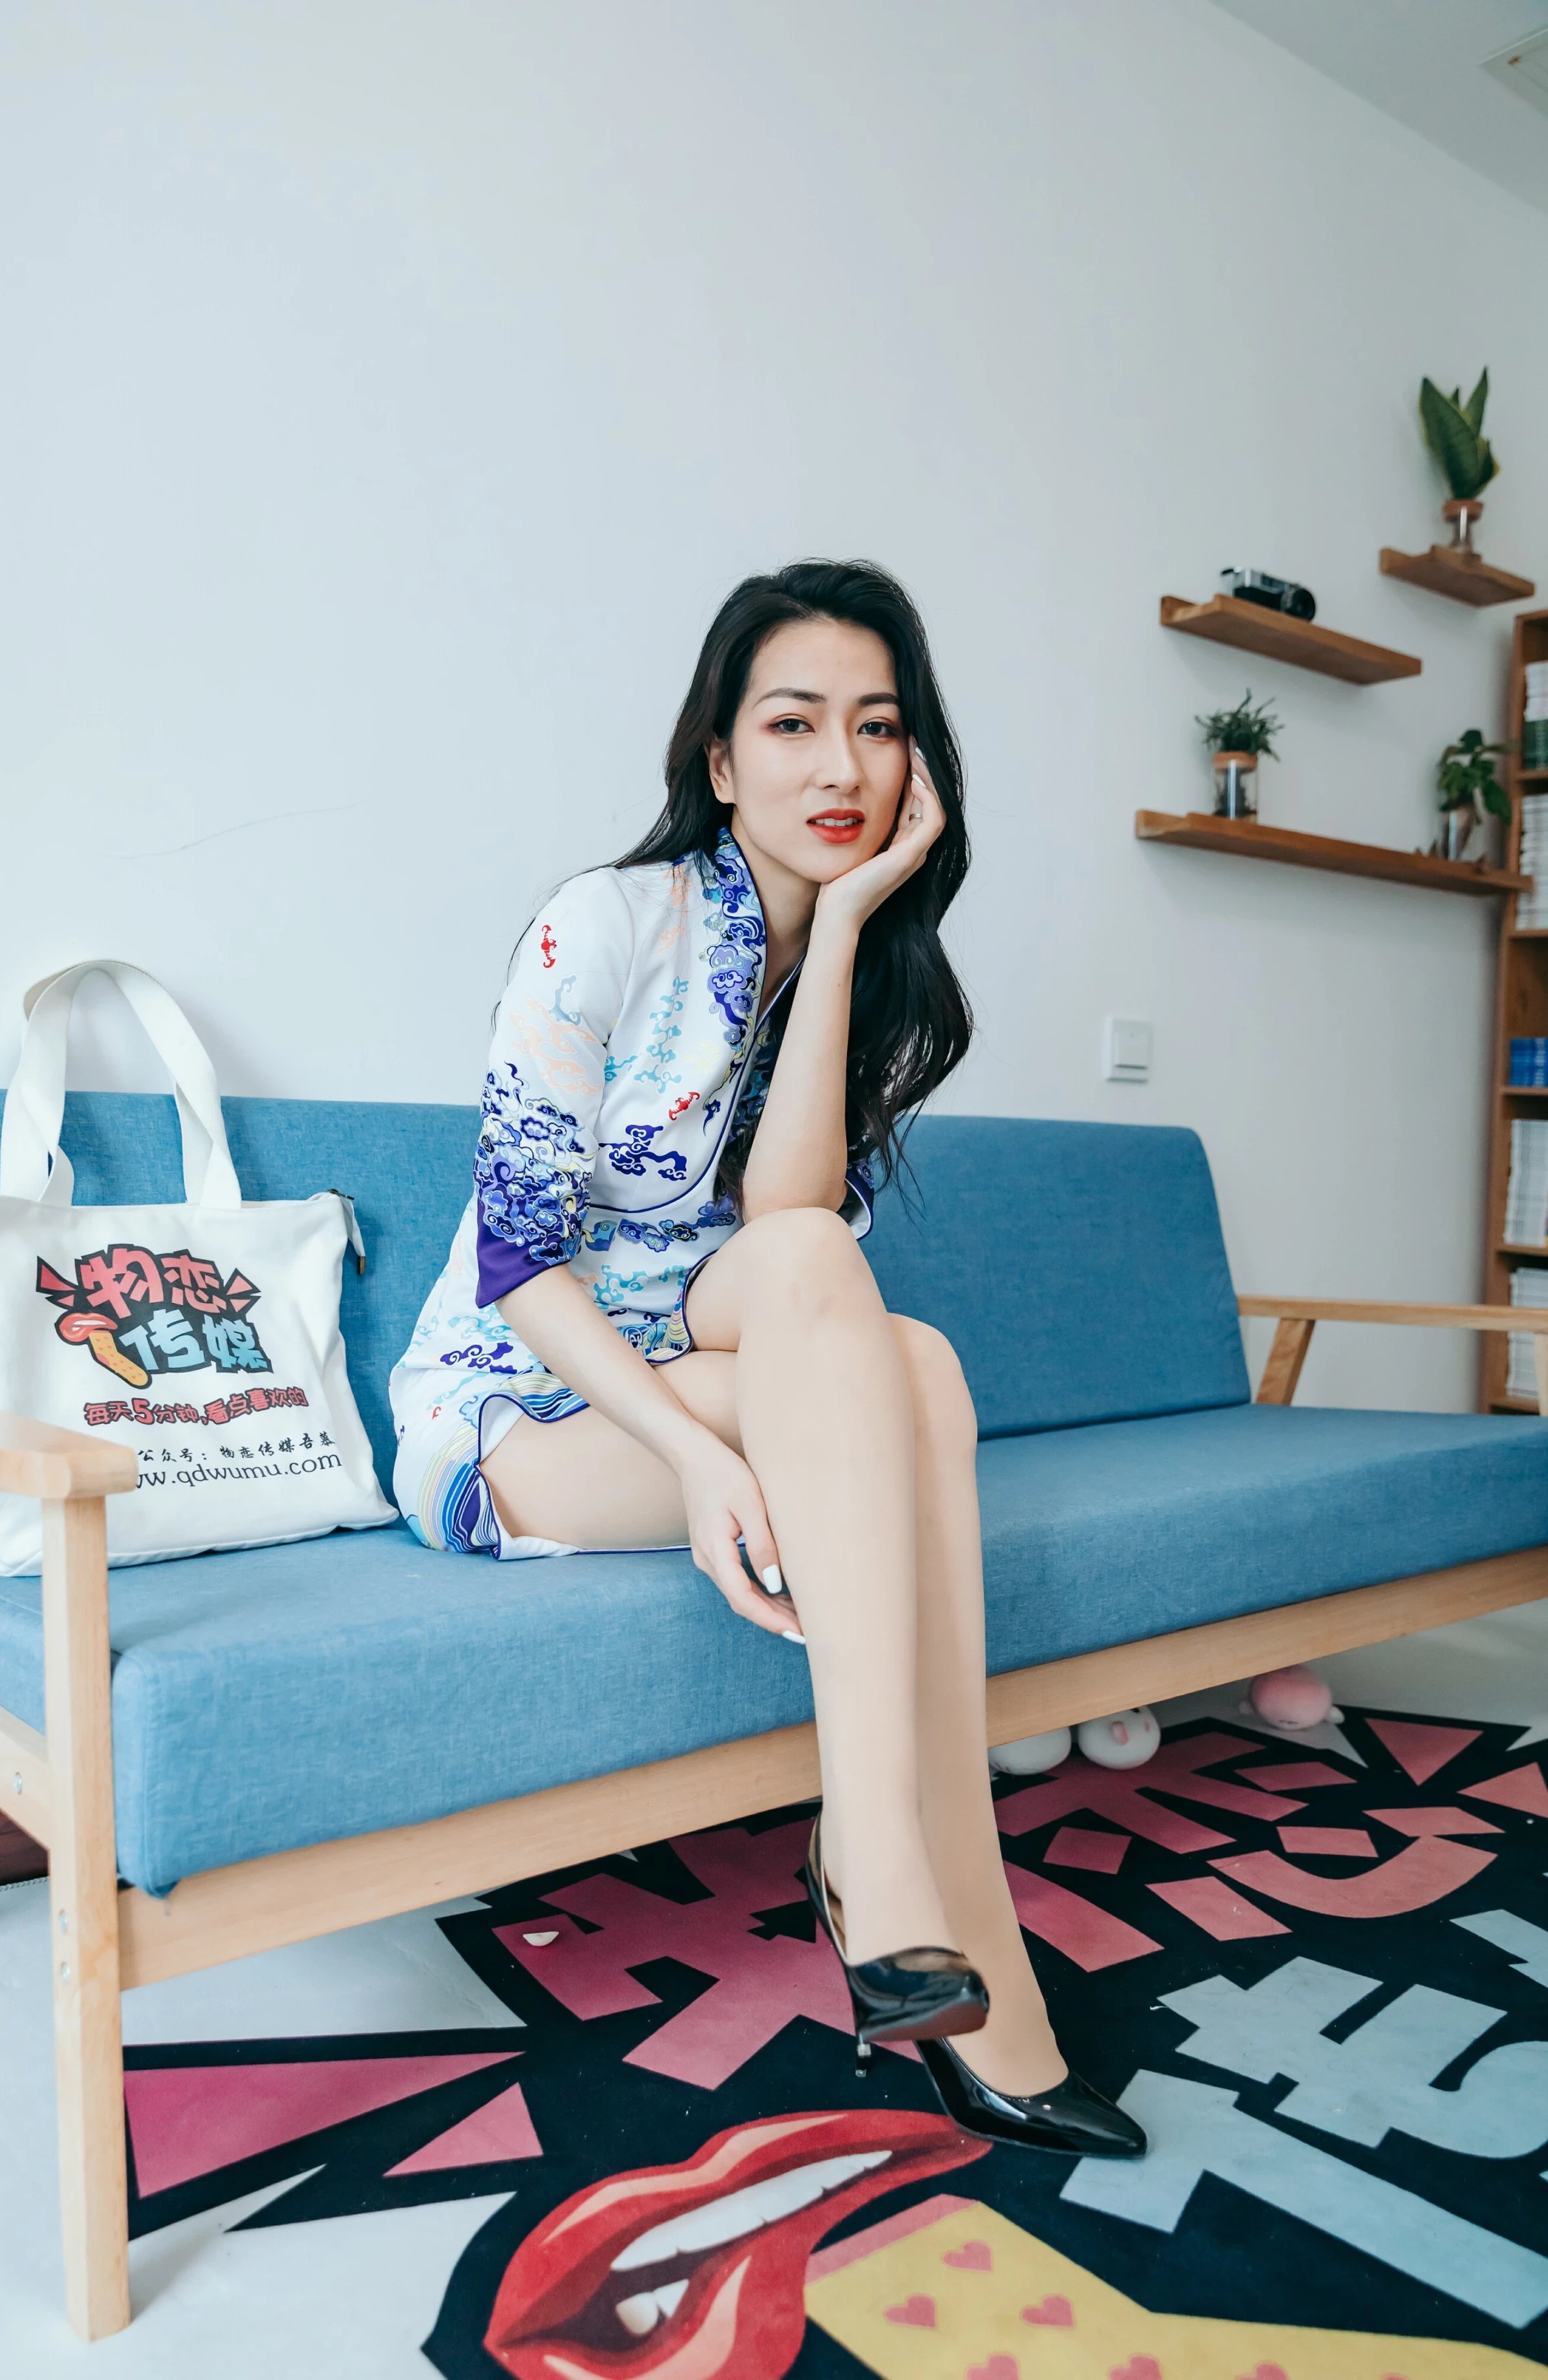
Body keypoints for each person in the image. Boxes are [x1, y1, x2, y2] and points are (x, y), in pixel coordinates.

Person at [391, 559, 1144, 2159]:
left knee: (902, 1352)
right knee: (910, 1376)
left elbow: (788, 1230)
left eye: (877, 726)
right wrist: (696, 1456)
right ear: (720, 760)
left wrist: (851, 924)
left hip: (715, 1362)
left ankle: (897, 1874)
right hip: (519, 1416)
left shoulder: (859, 979)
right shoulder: (603, 925)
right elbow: (520, 1261)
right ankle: (897, 1880)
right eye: (793, 724)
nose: (840, 764)